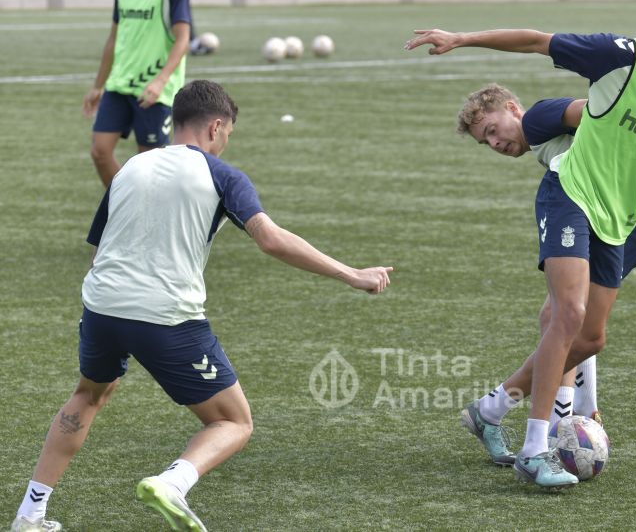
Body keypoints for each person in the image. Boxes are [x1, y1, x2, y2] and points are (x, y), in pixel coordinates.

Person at [12, 80, 393, 532]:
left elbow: (98, 249)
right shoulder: (221, 174)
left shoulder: (131, 167)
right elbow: (270, 239)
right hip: (167, 318)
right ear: (215, 127)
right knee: (234, 421)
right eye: (228, 133)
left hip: (101, 306)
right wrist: (352, 274)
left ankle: (30, 515)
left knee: (89, 394)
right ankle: (173, 482)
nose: (226, 142)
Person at [406, 0, 636, 489]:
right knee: (564, 315)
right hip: (569, 195)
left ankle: (492, 409)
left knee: (590, 337)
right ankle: (536, 448)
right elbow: (537, 40)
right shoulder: (618, 57)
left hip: (621, 214)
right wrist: (462, 37)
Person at [450, 86, 636, 470]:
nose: (494, 143)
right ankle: (565, 417)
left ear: (511, 108)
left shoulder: (540, 119)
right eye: (484, 141)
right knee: (566, 320)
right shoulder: (551, 149)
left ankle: (520, 413)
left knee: (567, 321)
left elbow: (613, 122)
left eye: (492, 130)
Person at [81, 0, 191, 188]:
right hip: (118, 84)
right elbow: (113, 39)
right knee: (100, 151)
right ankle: (124, 203)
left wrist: (160, 80)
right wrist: (98, 86)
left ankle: (149, 212)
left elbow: (183, 39)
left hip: (154, 91)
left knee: (149, 167)